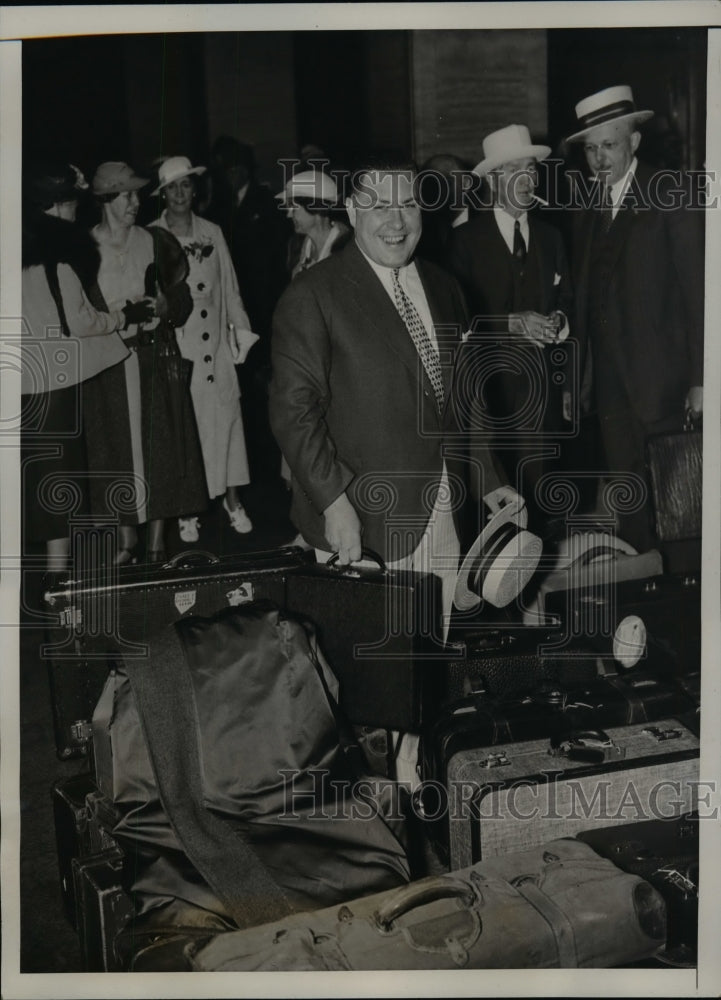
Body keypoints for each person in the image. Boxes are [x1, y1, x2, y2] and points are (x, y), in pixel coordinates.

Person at [564, 86, 704, 553]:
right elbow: (585, 298)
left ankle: (685, 589)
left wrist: (702, 380)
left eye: (609, 145)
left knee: (677, 500)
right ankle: (642, 585)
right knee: (631, 502)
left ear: (635, 142)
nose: (599, 158)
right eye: (591, 148)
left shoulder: (670, 193)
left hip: (663, 382)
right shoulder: (587, 206)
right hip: (610, 387)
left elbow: (700, 295)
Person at [20, 160, 149, 579]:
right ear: (59, 205)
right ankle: (58, 579)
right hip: (55, 384)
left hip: (19, 382)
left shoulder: (16, 247)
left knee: (33, 479)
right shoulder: (59, 252)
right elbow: (80, 321)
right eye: (74, 202)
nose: (79, 209)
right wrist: (123, 316)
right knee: (60, 482)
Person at [447, 125, 573, 532]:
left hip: (540, 398)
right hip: (489, 398)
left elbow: (567, 299)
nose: (528, 179)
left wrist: (560, 321)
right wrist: (510, 323)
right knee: (494, 507)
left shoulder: (553, 237)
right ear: (493, 179)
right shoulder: (464, 241)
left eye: (531, 169)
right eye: (515, 170)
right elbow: (454, 319)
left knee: (539, 504)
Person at [82, 161, 209, 563]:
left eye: (137, 194)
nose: (136, 202)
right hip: (109, 365)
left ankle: (156, 544)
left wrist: (170, 305)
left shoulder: (156, 241)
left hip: (155, 358)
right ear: (106, 199)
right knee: (116, 452)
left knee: (161, 452)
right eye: (126, 195)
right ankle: (127, 541)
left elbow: (183, 300)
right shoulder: (83, 250)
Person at [152, 155, 259, 540]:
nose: (180, 193)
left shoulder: (212, 231)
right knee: (187, 429)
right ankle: (188, 509)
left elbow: (230, 288)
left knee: (227, 422)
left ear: (194, 189)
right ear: (163, 194)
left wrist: (240, 334)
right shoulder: (151, 236)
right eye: (172, 188)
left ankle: (233, 500)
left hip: (216, 346)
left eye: (185, 185)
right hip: (180, 351)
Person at [276, 169, 351, 279]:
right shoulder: (297, 247)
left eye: (294, 208)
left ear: (315, 207)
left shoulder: (346, 250)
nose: (289, 215)